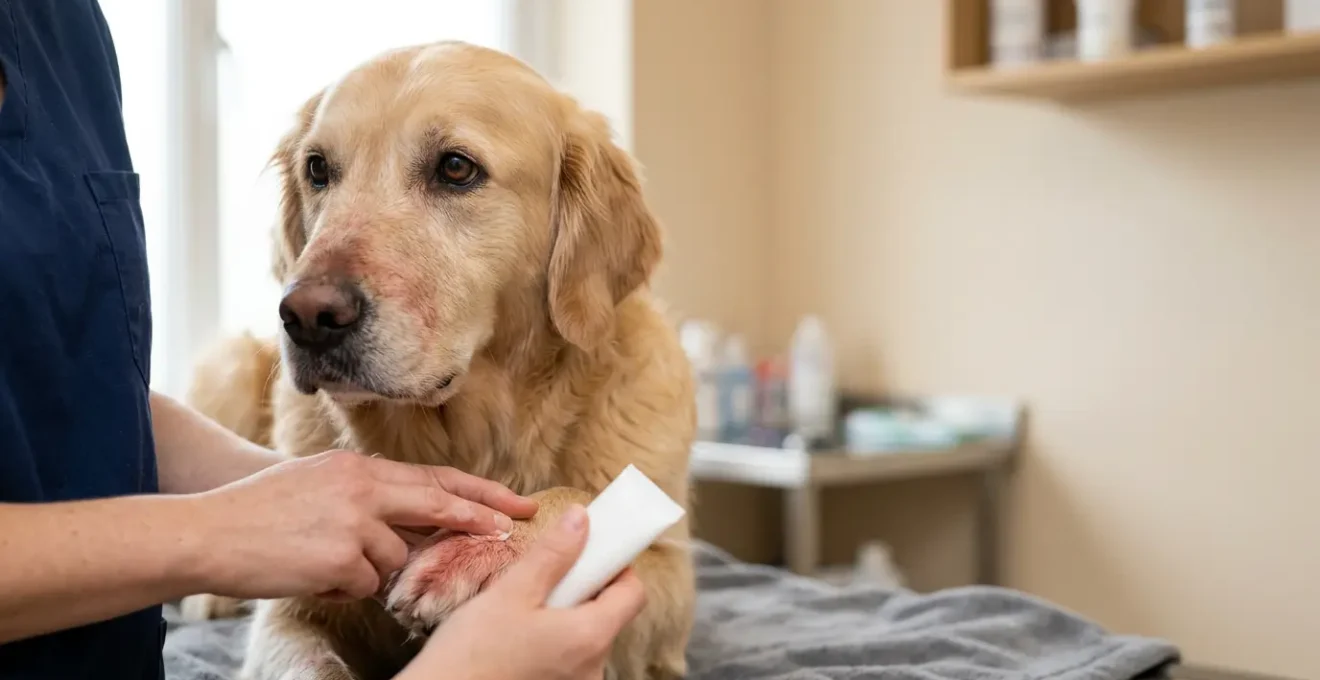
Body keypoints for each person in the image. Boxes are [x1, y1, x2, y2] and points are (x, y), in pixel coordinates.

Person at [0, 2, 645, 679]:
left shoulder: (69, 24)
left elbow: (65, 387)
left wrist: (301, 495)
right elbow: (298, 616)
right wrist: (219, 533)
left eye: (454, 170)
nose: (315, 289)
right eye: (321, 172)